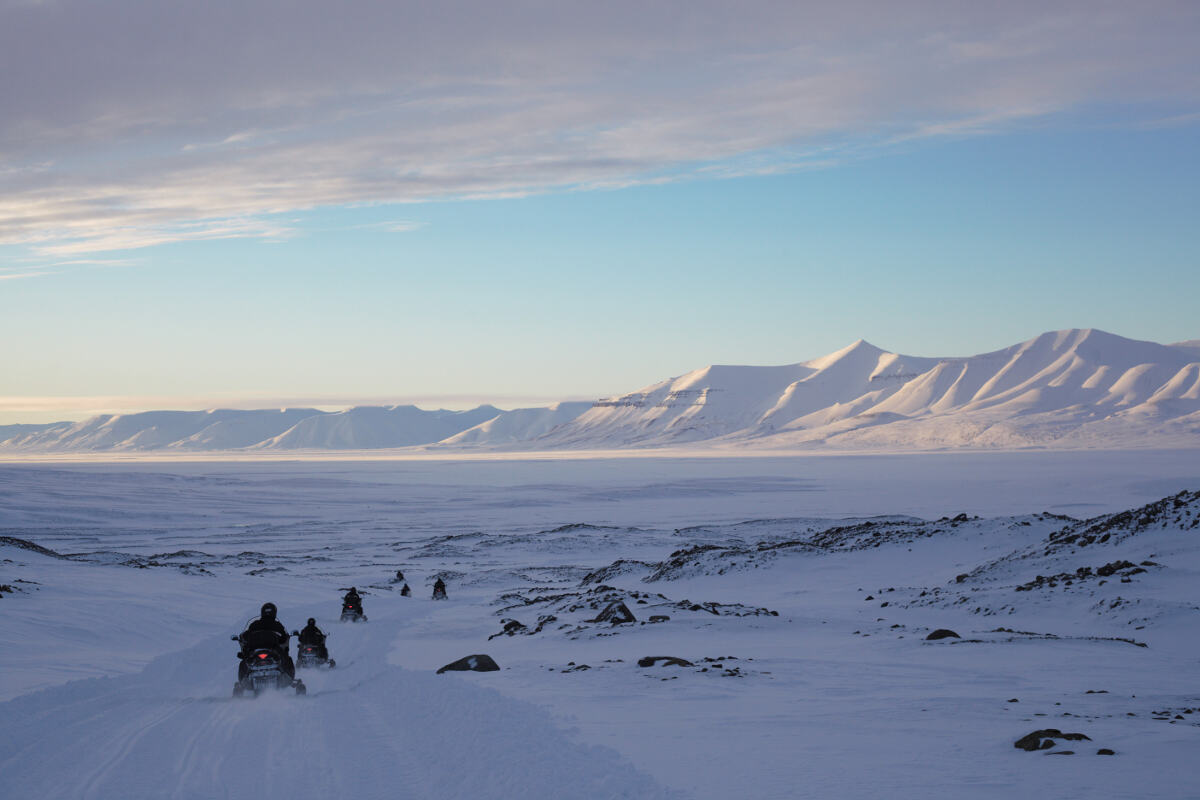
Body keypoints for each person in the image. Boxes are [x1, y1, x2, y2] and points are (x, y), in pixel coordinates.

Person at [238, 602, 294, 680]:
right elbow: (284, 639)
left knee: (245, 660)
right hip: (273, 650)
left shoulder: (254, 624)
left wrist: (243, 638)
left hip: (255, 651)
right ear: (274, 612)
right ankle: (289, 677)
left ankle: (243, 681)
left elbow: (245, 636)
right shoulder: (277, 625)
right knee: (286, 659)